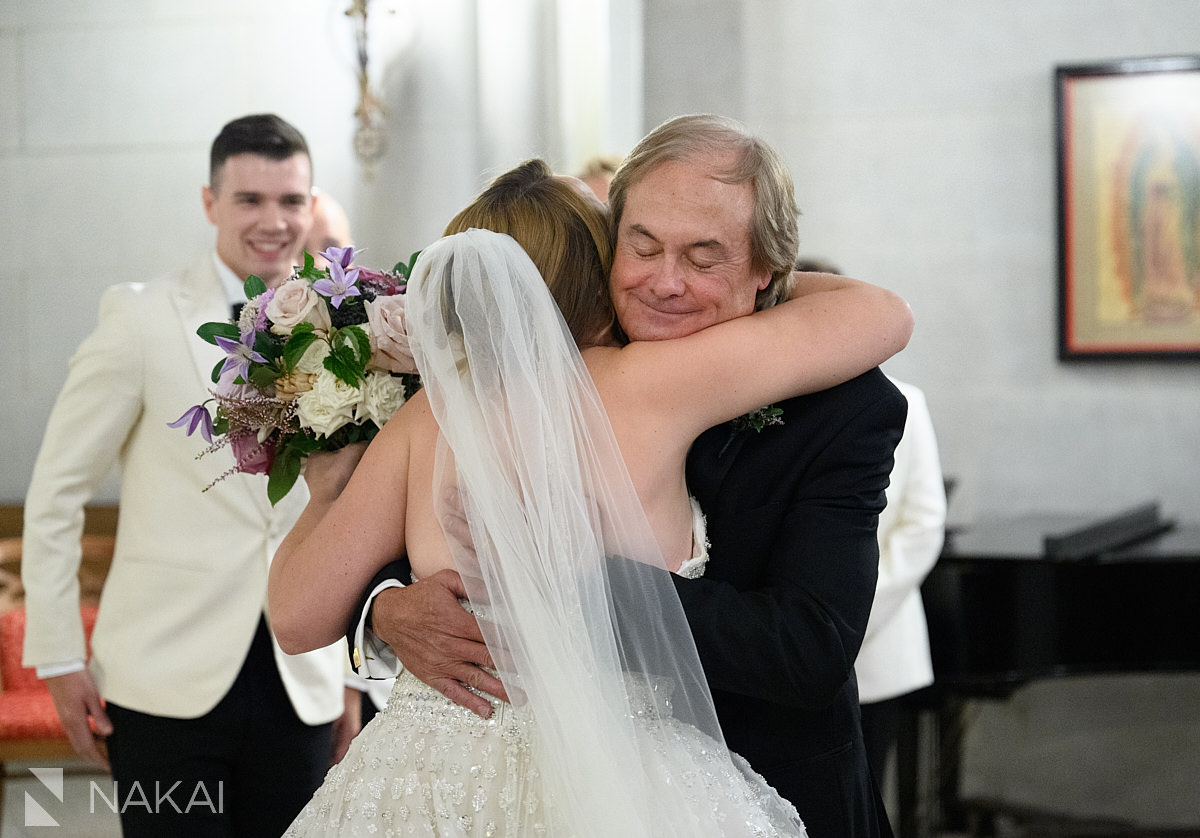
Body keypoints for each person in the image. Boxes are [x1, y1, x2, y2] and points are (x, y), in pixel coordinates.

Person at [269, 156, 911, 835]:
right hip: (623, 776)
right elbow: (882, 316)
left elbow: (296, 617)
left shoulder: (425, 416)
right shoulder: (655, 383)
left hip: (431, 780)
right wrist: (745, 272)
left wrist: (326, 494)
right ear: (596, 273)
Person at [20, 114, 353, 837]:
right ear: (210, 202)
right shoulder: (141, 319)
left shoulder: (348, 332)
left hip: (303, 680)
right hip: (161, 686)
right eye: (250, 200)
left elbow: (354, 511)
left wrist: (353, 672)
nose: (274, 221)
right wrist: (56, 655)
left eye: (291, 200)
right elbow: (56, 495)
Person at [795, 259, 948, 807]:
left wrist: (854, 607)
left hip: (882, 643)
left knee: (870, 795)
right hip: (792, 642)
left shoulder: (904, 400)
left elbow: (924, 524)